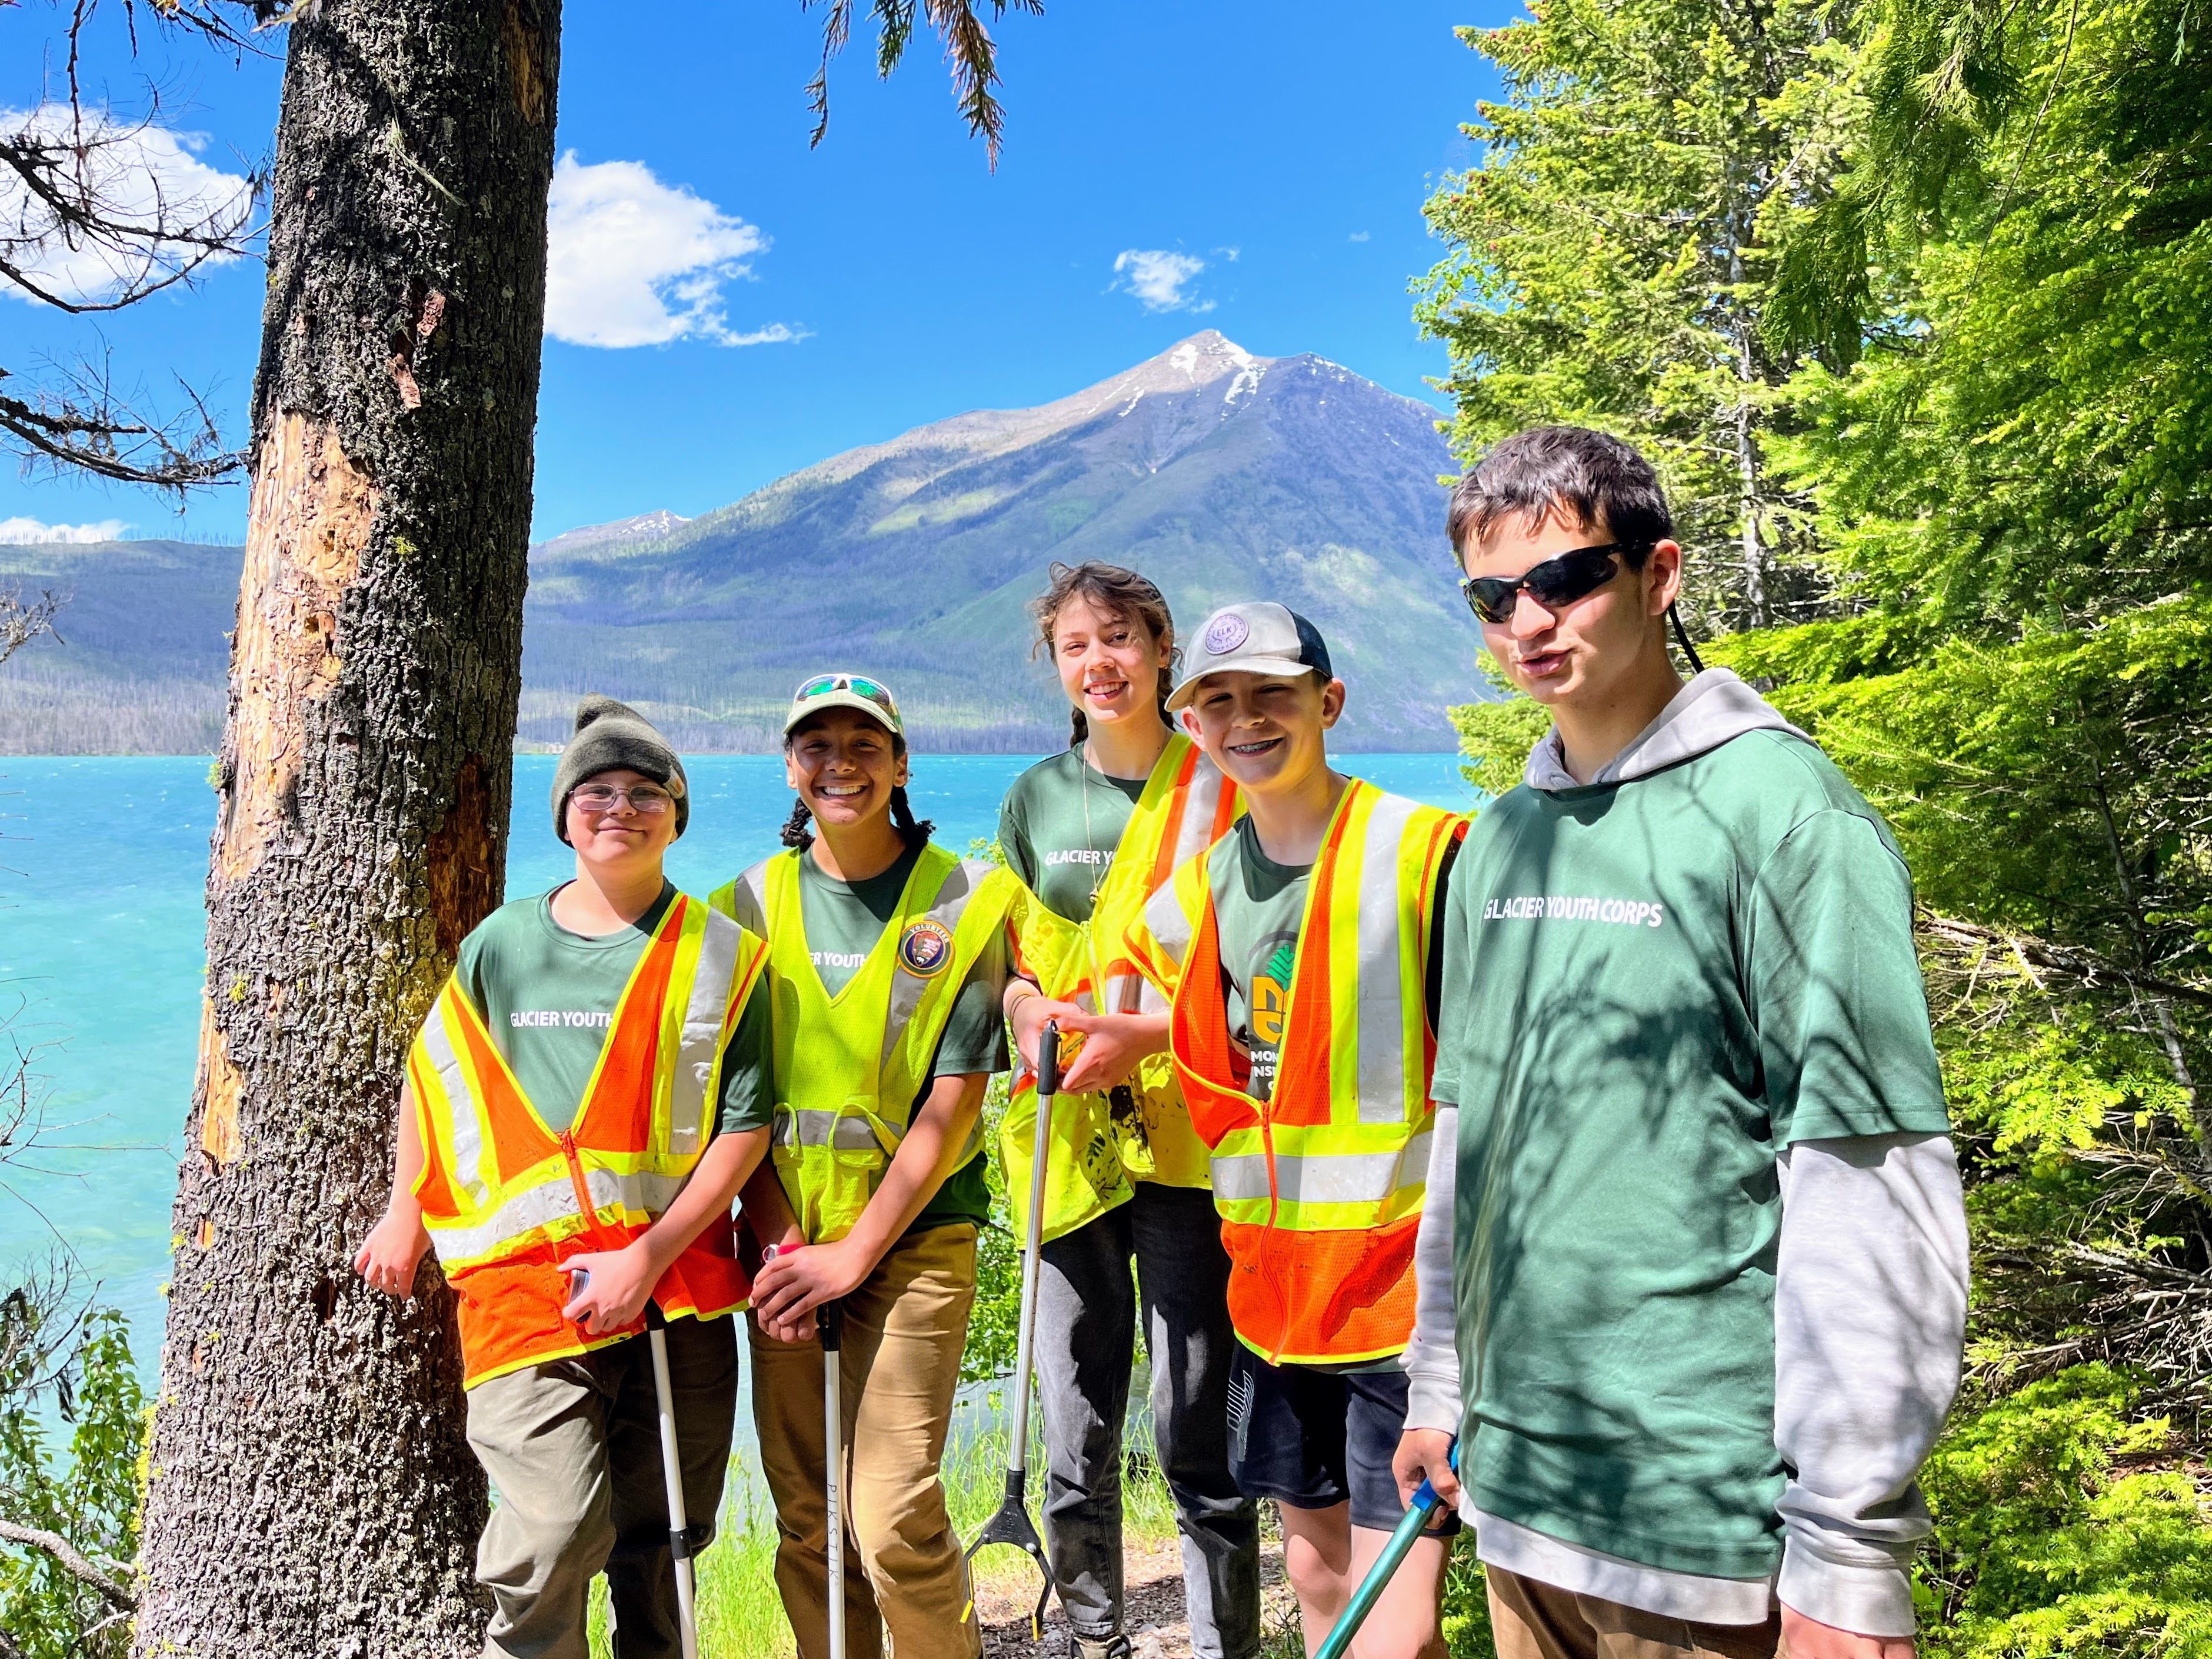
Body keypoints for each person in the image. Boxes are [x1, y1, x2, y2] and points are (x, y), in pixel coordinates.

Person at [1393, 426, 1970, 1659]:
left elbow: (1869, 1180)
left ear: (1658, 577)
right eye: (1493, 598)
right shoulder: (1496, 843)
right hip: (1517, 1503)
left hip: (1707, 1538)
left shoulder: (1782, 814)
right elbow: (1468, 1140)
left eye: (1565, 579)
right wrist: (1438, 1388)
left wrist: (1849, 1554)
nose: (1527, 623)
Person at [355, 694, 774, 1659]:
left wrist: (647, 1257)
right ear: (563, 813)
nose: (619, 807)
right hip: (526, 1296)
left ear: (677, 811)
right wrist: (404, 1209)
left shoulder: (723, 954)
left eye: (645, 791)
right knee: (551, 1534)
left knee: (665, 1543)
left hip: (677, 1293)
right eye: (595, 790)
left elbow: (743, 1131)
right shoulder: (503, 944)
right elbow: (440, 1075)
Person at [1124, 602, 1465, 1659]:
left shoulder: (1425, 855)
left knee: (1390, 1632)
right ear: (1191, 726)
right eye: (1218, 701)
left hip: (1400, 1308)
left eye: (1273, 693)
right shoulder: (1192, 897)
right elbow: (1198, 1046)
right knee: (1317, 1585)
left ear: (1329, 702)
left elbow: (1476, 1090)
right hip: (1271, 1307)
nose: (1247, 719)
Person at [712, 672, 1016, 1659]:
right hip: (784, 1245)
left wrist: (852, 1258)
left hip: (918, 1240)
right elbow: (738, 1104)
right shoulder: (744, 907)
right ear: (791, 769)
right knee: (810, 1520)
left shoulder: (967, 901)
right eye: (817, 746)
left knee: (891, 1517)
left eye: (863, 744)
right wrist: (784, 1242)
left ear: (900, 763)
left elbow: (954, 1100)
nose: (840, 764)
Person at [996, 562, 1260, 1659]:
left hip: (1188, 1138)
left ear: (1161, 649)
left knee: (1196, 1415)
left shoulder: (1224, 787)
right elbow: (1007, 961)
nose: (1099, 662)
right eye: (1075, 646)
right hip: (1064, 1139)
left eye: (1119, 639)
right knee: (1074, 1412)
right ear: (1056, 666)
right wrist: (1021, 1012)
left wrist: (1143, 1040)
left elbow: (1260, 967)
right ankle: (1091, 1635)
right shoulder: (1033, 799)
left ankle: (1221, 1643)